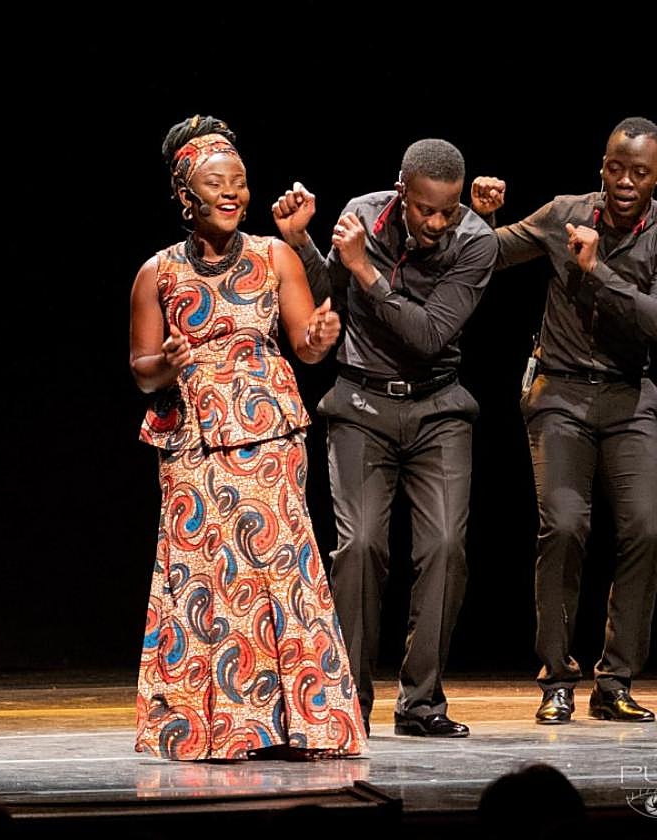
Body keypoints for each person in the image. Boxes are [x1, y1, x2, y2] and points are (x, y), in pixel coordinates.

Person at [130, 115, 363, 761]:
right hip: (192, 439)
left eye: (238, 182)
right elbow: (141, 369)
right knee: (202, 575)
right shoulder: (157, 274)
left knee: (278, 568)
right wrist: (169, 366)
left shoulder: (273, 255)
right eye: (215, 184)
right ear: (185, 197)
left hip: (268, 431)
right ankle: (211, 728)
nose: (232, 194)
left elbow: (305, 345)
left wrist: (316, 341)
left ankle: (304, 722)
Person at [272, 138, 497, 737]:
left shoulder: (476, 242)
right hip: (362, 403)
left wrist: (365, 269)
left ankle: (421, 703)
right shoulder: (363, 212)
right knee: (362, 546)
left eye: (448, 209)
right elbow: (332, 293)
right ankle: (348, 701)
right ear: (402, 189)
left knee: (446, 546)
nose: (438, 221)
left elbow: (428, 334)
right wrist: (301, 242)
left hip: (438, 408)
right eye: (427, 209)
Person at [470, 116, 657, 725]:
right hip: (560, 393)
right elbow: (490, 257)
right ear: (601, 167)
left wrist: (597, 271)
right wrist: (484, 217)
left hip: (632, 396)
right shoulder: (564, 213)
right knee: (566, 526)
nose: (624, 181)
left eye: (640, 172)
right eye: (614, 168)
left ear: (656, 177)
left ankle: (616, 680)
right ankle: (557, 679)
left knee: (645, 529)